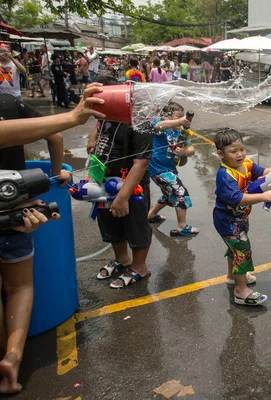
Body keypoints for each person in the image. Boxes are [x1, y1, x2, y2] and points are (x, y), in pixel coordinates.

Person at [0, 94, 70, 394]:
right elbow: (53, 134)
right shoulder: (9, 102)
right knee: (19, 287)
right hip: (16, 205)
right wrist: (55, 174)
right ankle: (12, 357)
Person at [85, 76, 154, 288]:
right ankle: (122, 259)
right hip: (104, 181)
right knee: (110, 222)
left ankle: (140, 267)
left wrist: (123, 196)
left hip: (131, 185)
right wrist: (92, 142)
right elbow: (98, 130)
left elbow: (141, 163)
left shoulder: (140, 119)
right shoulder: (106, 116)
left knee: (136, 225)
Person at [213, 128, 271, 306]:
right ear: (221, 154)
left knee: (235, 249)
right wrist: (263, 197)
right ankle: (240, 290)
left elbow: (262, 171)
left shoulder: (247, 164)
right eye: (233, 151)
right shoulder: (225, 176)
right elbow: (237, 199)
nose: (240, 154)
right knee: (242, 249)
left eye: (241, 149)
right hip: (226, 220)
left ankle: (232, 277)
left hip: (240, 219)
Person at [147, 102, 198, 236]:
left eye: (183, 116)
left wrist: (184, 152)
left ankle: (151, 215)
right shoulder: (160, 125)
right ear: (166, 116)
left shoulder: (180, 132)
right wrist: (179, 121)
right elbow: (158, 126)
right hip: (157, 169)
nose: (182, 118)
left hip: (169, 170)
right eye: (179, 116)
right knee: (180, 192)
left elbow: (192, 149)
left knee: (168, 194)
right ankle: (182, 226)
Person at [0, 83, 105, 145]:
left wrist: (74, 117)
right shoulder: (11, 101)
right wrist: (73, 117)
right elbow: (55, 137)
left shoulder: (10, 102)